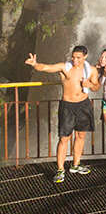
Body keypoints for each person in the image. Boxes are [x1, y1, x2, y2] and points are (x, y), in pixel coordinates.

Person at [27, 46, 100, 182]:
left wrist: (89, 84)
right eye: (73, 57)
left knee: (80, 135)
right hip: (67, 106)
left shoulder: (91, 70)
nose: (75, 60)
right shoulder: (65, 67)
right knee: (64, 138)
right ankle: (60, 169)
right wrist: (35, 64)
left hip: (84, 105)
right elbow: (46, 68)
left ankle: (76, 165)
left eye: (78, 57)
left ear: (85, 56)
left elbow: (96, 86)